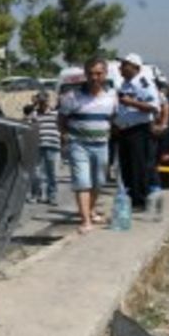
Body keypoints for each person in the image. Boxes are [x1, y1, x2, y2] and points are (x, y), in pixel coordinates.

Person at [58, 57, 118, 234]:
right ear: (85, 75)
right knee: (82, 181)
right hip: (79, 145)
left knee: (99, 181)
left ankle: (90, 210)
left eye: (99, 73)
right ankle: (85, 220)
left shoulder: (111, 98)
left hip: (101, 144)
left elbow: (114, 119)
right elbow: (61, 119)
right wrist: (65, 136)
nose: (94, 77)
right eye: (91, 74)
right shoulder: (72, 97)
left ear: (105, 74)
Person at [113, 53, 160, 211]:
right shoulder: (124, 84)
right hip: (124, 130)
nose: (122, 67)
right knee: (126, 165)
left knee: (138, 165)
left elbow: (154, 106)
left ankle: (140, 200)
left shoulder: (143, 83)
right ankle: (130, 197)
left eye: (125, 64)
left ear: (136, 68)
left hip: (139, 130)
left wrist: (131, 102)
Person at [29, 92, 61, 205]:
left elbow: (61, 127)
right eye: (40, 101)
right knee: (36, 173)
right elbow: (28, 127)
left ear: (48, 101)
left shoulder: (56, 113)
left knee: (52, 173)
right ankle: (36, 195)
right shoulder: (34, 114)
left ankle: (52, 196)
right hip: (37, 146)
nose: (42, 103)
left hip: (53, 145)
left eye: (44, 101)